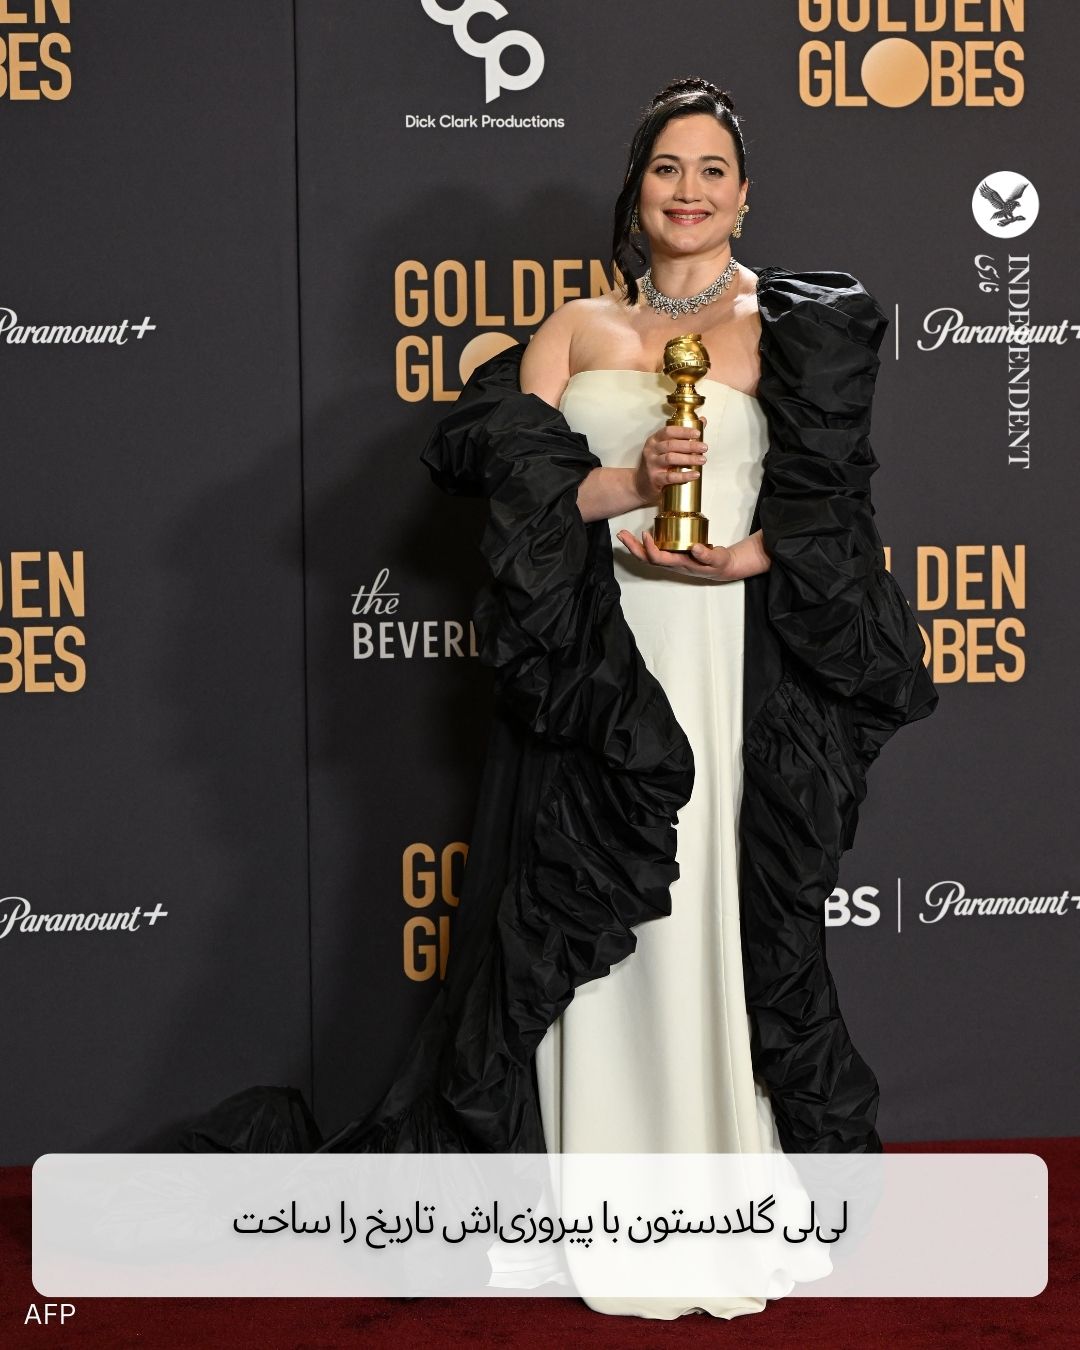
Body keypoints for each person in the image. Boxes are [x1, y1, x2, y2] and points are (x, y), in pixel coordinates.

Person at [181, 75, 937, 1323]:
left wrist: (753, 556)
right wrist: (627, 481)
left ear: (746, 195)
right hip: (594, 660)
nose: (688, 191)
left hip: (724, 655)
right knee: (577, 906)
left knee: (706, 903)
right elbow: (522, 497)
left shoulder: (797, 327)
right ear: (635, 192)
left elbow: (836, 511)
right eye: (666, 169)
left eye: (711, 170)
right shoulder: (574, 329)